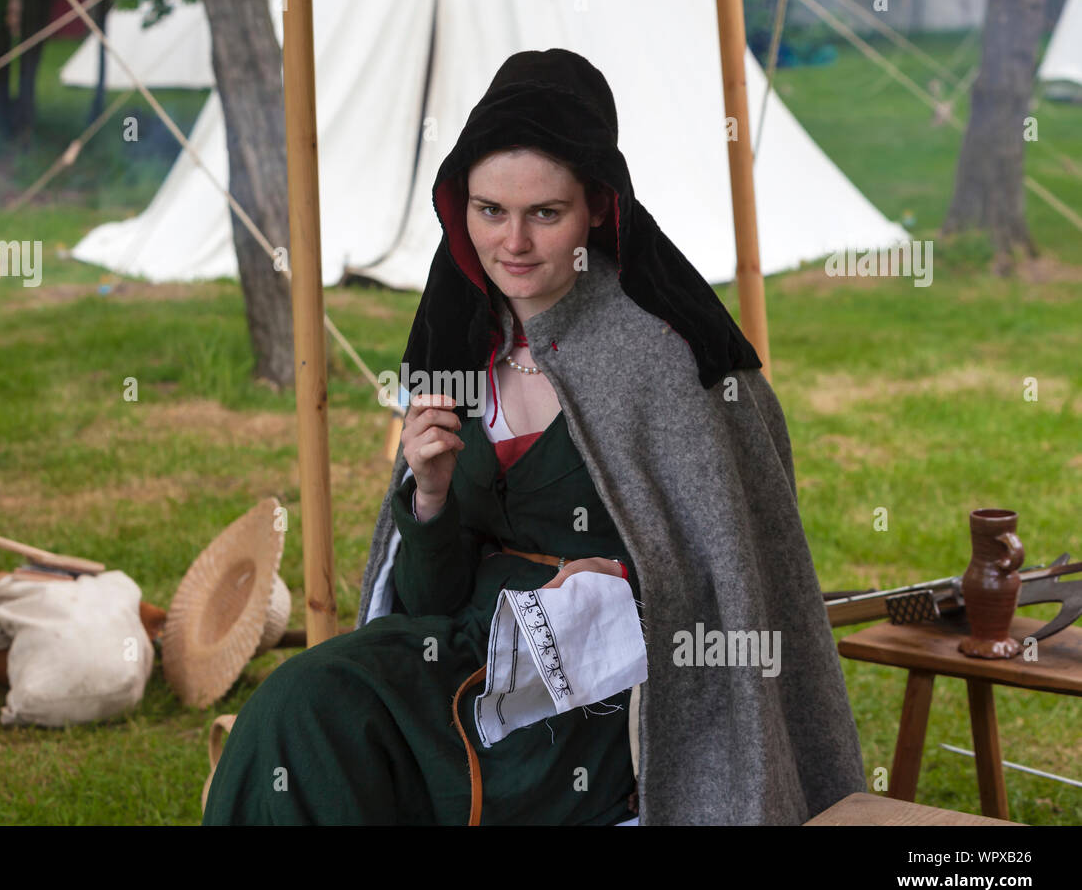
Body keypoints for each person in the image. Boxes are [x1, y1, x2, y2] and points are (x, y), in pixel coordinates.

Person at [204, 48, 865, 826]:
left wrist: (615, 590)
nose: (512, 242)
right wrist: (432, 497)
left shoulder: (663, 355)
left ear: (597, 210)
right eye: (491, 211)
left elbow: (724, 593)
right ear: (461, 210)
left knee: (458, 783)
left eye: (544, 214)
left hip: (608, 700)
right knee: (300, 707)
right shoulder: (457, 342)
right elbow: (423, 604)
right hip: (461, 653)